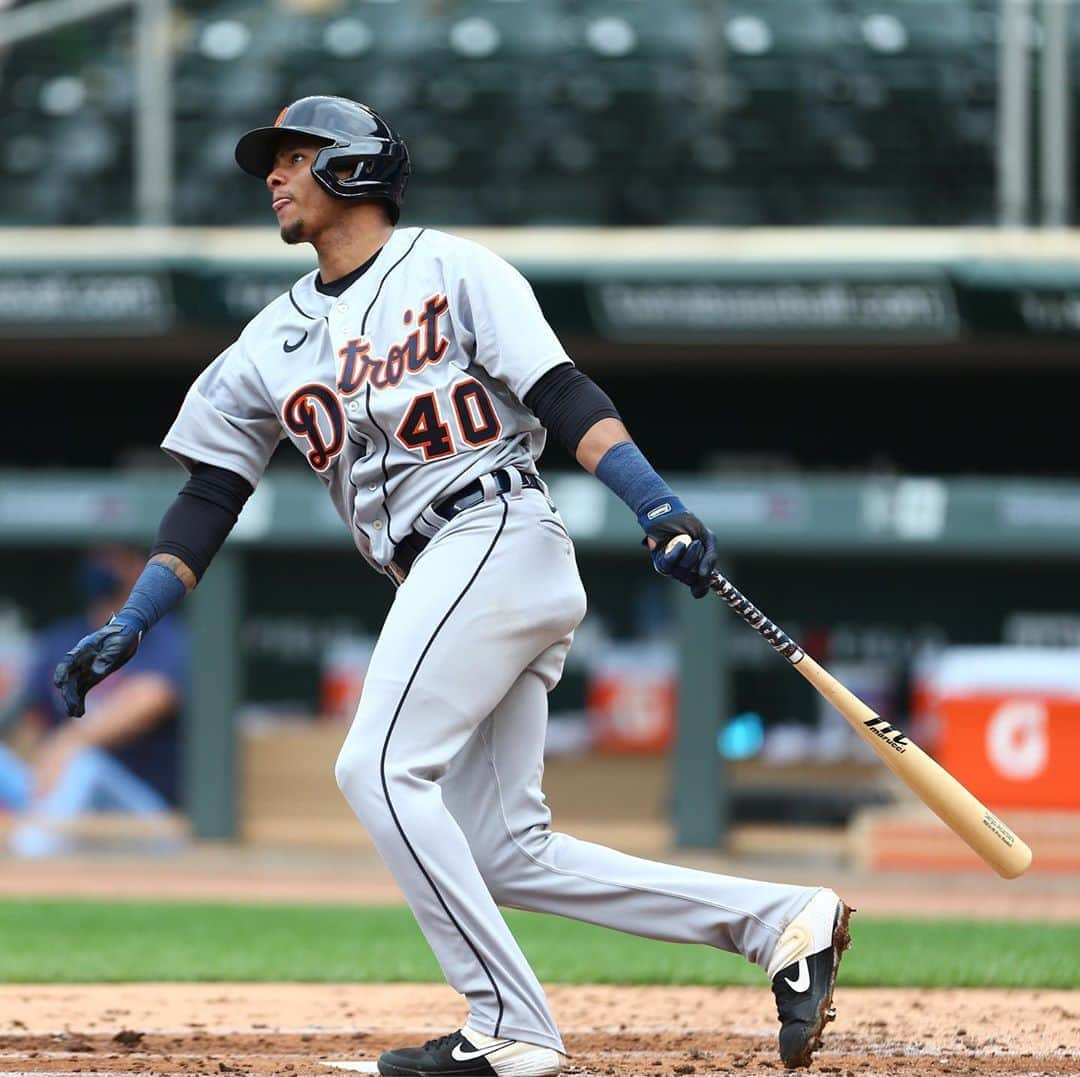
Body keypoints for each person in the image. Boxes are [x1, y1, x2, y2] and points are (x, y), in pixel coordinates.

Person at [53, 96, 852, 1074]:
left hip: (495, 529)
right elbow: (210, 495)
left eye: (295, 157)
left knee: (378, 768)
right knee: (505, 849)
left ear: (354, 169)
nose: (273, 175)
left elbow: (562, 395)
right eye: (272, 161)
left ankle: (508, 1027)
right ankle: (782, 925)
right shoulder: (267, 342)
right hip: (442, 572)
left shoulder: (454, 268)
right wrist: (137, 616)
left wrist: (655, 501)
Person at [0, 544, 186, 857]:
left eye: (115, 558)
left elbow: (151, 700)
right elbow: (27, 713)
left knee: (83, 762)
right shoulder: (61, 637)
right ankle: (35, 841)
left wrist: (67, 743)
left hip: (146, 813)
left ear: (141, 569)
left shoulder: (165, 637)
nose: (103, 567)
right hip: (57, 800)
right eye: (98, 558)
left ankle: (29, 861)